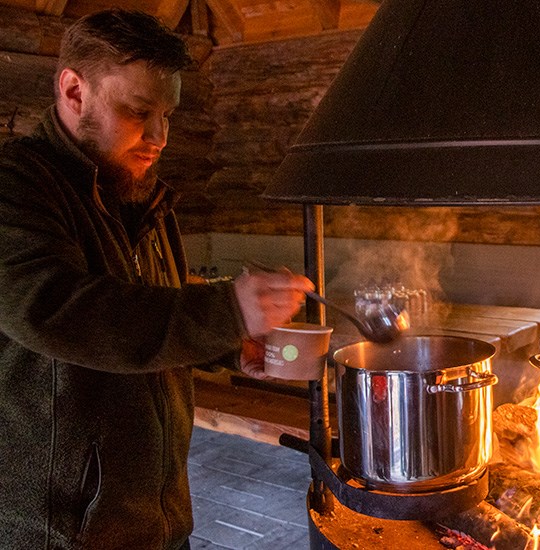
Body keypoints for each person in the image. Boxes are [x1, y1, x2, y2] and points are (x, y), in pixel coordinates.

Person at [0, 9, 314, 549]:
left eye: (166, 114)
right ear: (74, 90)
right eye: (139, 111)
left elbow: (152, 307)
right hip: (60, 532)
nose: (159, 136)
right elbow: (55, 310)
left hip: (158, 519)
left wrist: (227, 343)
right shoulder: (16, 188)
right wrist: (226, 310)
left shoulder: (142, 194)